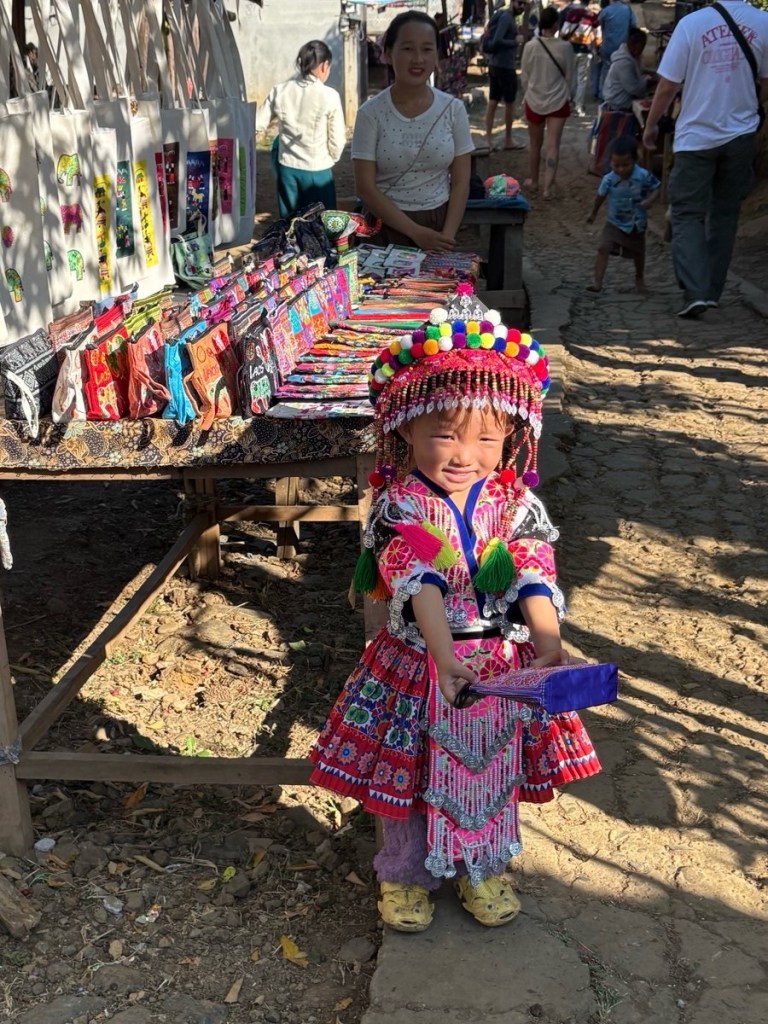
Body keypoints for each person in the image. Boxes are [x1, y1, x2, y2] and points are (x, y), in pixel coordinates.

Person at [309, 283, 602, 933]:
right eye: (444, 435)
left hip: (498, 665)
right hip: (420, 663)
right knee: (408, 775)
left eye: (488, 439)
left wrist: (547, 641)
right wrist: (443, 657)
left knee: (491, 768)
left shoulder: (513, 503)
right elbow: (421, 583)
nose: (466, 456)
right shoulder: (402, 507)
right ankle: (403, 874)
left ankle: (481, 866)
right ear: (405, 428)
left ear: (513, 436)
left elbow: (531, 569)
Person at [642, 1, 768, 319]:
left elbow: (668, 85)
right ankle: (712, 291)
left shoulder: (691, 25)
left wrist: (651, 124)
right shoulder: (763, 23)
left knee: (687, 213)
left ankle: (695, 291)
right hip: (741, 135)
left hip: (695, 137)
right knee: (725, 214)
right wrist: (744, 105)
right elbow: (766, 83)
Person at [352, 11, 474, 252]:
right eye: (408, 49)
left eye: (427, 49)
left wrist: (446, 237)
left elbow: (461, 182)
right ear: (388, 53)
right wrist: (415, 232)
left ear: (437, 55)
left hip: (439, 225)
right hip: (383, 228)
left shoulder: (454, 110)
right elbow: (365, 187)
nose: (418, 59)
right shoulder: (370, 114)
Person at [256, 40, 346, 221]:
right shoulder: (329, 95)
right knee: (321, 222)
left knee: (290, 222)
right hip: (318, 169)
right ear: (324, 66)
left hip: (287, 168)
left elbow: (257, 124)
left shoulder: (280, 91)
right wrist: (331, 158)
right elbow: (337, 140)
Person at [586, 136, 660, 293]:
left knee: (639, 253)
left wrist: (650, 201)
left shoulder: (642, 175)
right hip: (614, 222)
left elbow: (656, 188)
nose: (621, 169)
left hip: (636, 222)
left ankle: (639, 278)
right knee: (603, 247)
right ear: (610, 162)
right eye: (616, 165)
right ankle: (597, 282)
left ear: (635, 160)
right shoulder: (609, 179)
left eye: (625, 165)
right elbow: (600, 196)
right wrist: (593, 213)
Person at [520, 6, 575, 198]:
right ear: (556, 24)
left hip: (534, 99)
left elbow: (524, 76)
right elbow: (570, 77)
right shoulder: (566, 48)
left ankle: (534, 181)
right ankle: (548, 187)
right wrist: (570, 96)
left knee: (534, 144)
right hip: (558, 101)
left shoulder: (530, 47)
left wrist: (529, 93)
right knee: (553, 145)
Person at [483, 1, 525, 150]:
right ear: (512, 2)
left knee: (493, 101)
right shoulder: (506, 18)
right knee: (509, 103)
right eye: (520, 3)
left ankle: (489, 139)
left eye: (524, 4)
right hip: (504, 66)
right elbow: (497, 40)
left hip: (496, 64)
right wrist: (514, 42)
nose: (522, 7)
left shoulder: (505, 16)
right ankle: (507, 139)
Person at [559, 0, 600, 117]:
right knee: (582, 80)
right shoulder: (593, 16)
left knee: (569, 77)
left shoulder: (571, 14)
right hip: (585, 51)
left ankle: (567, 104)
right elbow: (598, 37)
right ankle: (578, 106)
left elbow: (563, 33)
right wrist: (597, 50)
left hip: (570, 50)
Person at [602, 27, 652, 112]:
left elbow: (640, 70)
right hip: (619, 103)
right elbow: (634, 89)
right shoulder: (624, 63)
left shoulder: (632, 57)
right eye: (641, 47)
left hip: (621, 100)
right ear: (632, 45)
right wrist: (647, 81)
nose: (641, 50)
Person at [597, 0, 636, 98]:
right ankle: (618, 95)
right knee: (622, 71)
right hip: (622, 47)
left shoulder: (606, 11)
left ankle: (603, 96)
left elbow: (598, 25)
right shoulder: (627, 10)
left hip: (607, 46)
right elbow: (633, 26)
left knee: (606, 70)